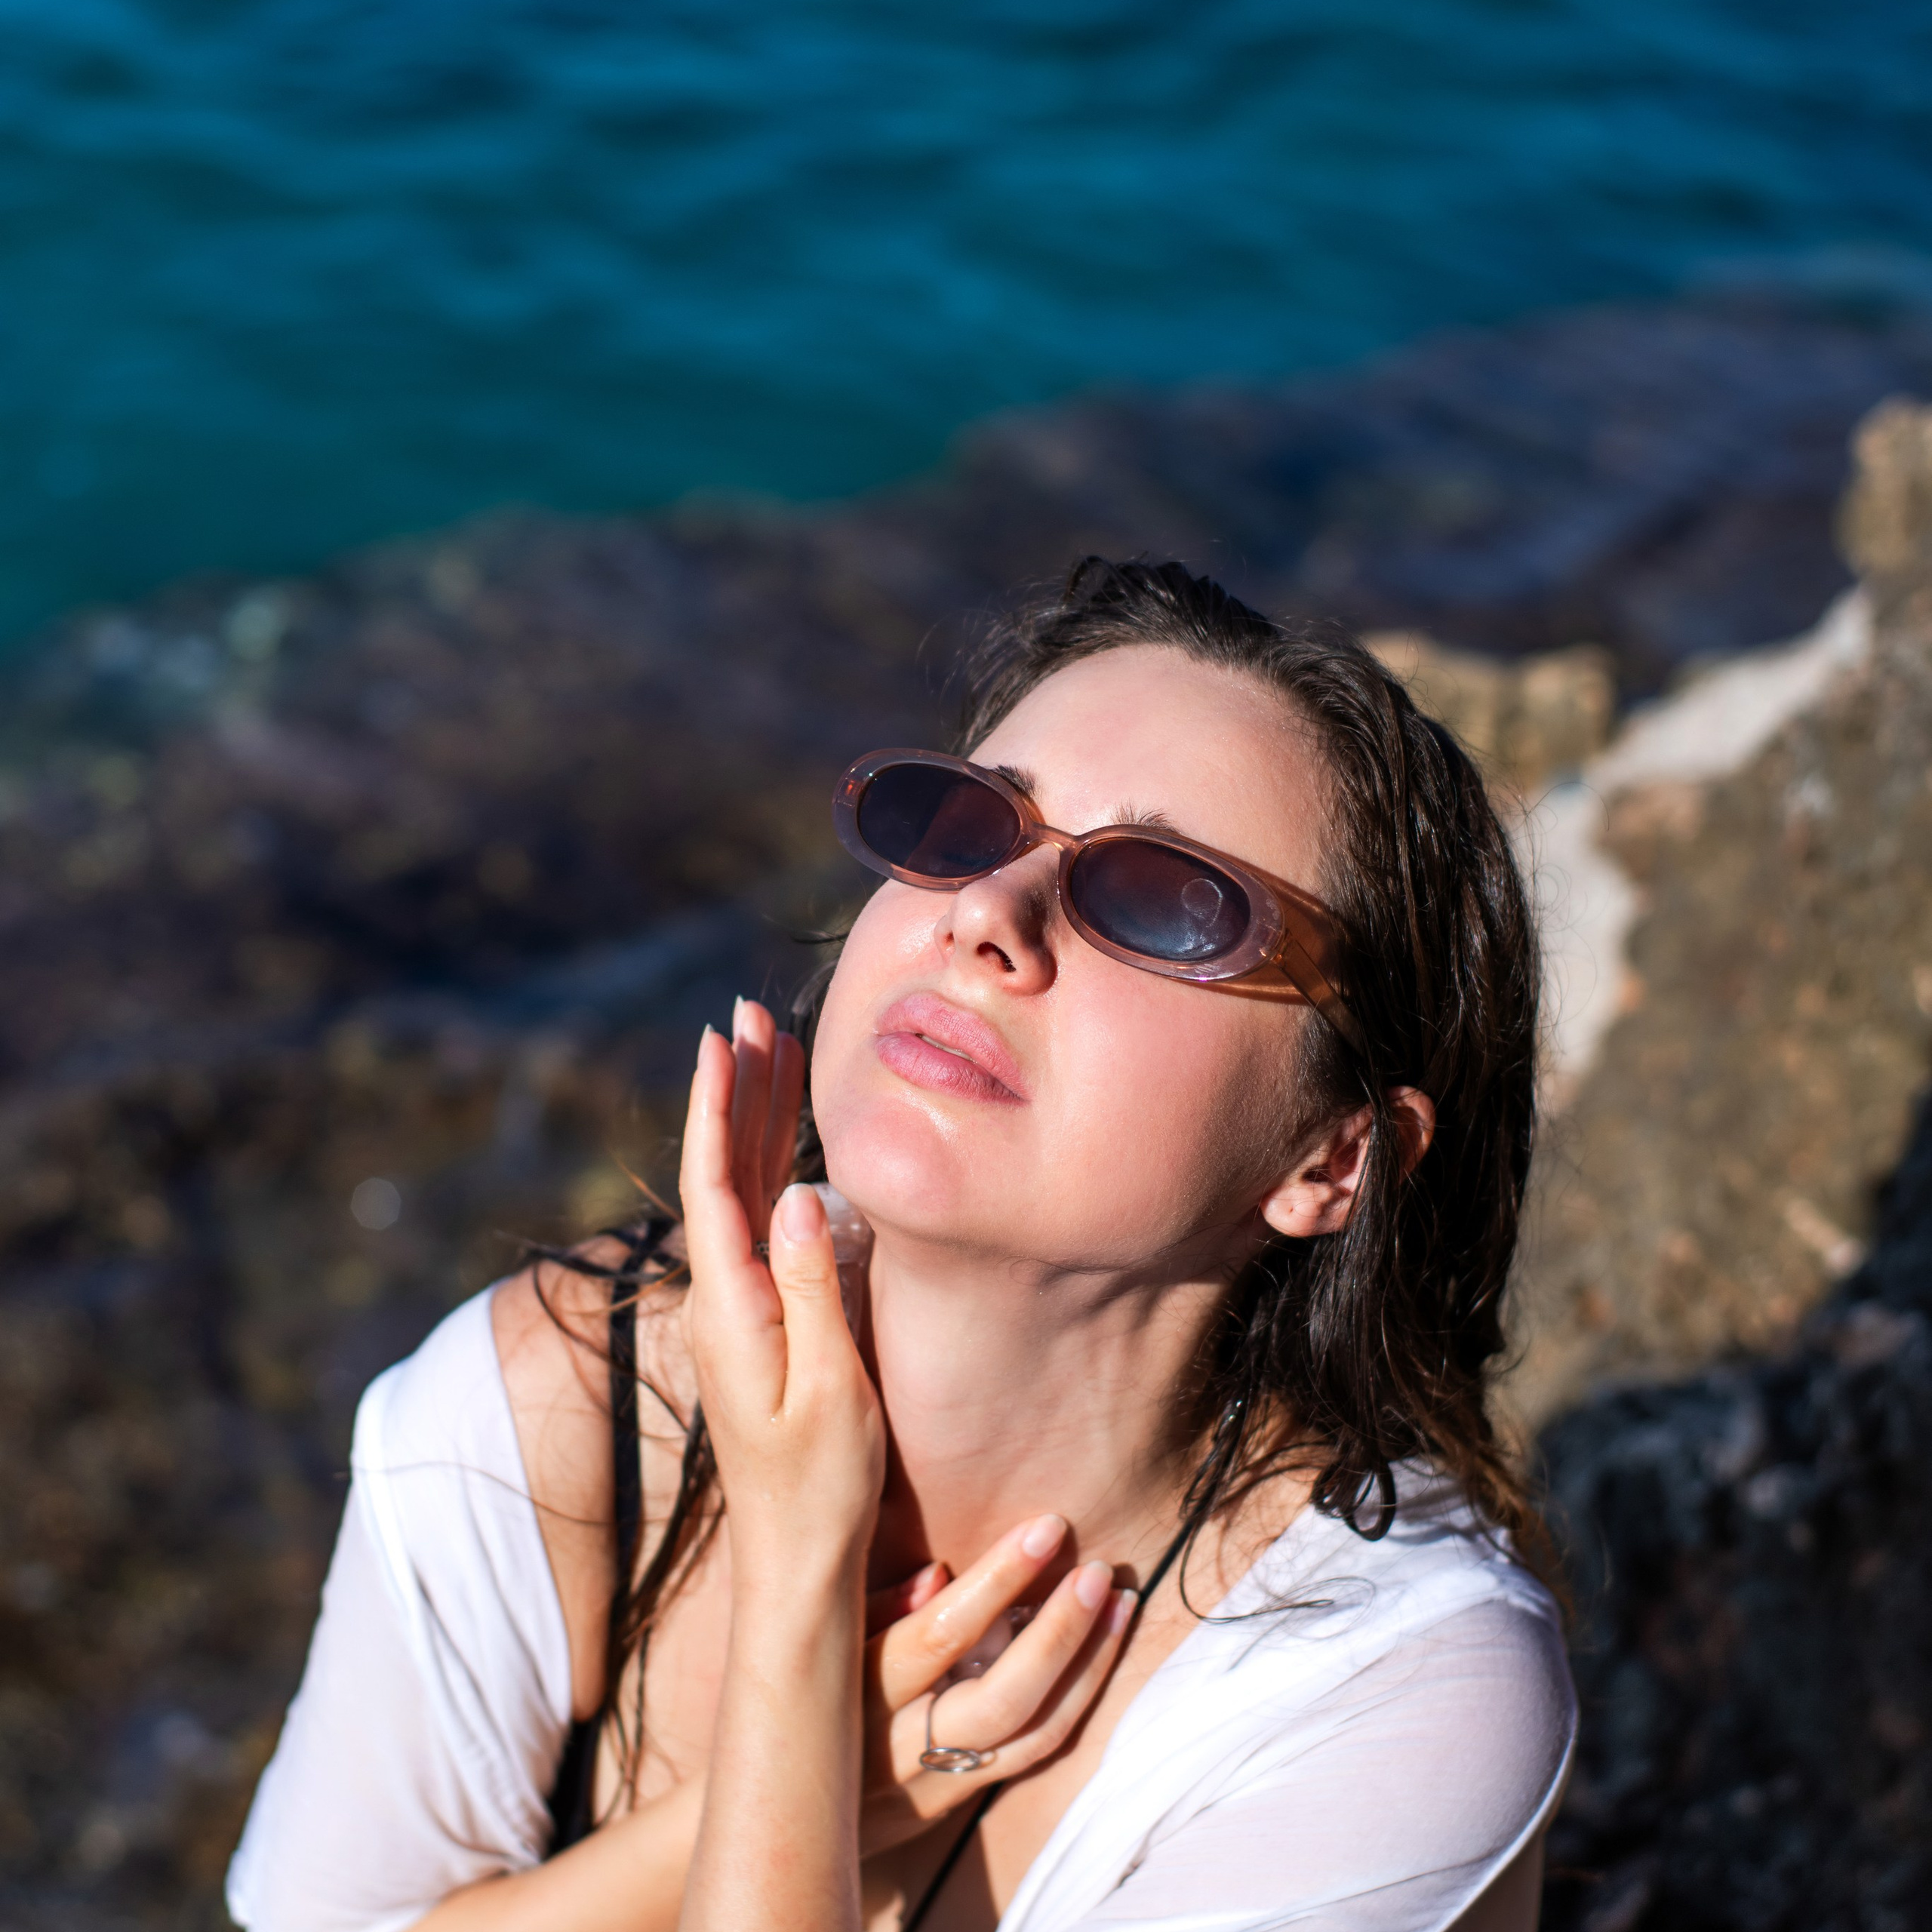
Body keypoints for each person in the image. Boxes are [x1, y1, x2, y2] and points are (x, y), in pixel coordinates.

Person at [228, 558, 1575, 1932]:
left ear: (1334, 1155)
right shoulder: (559, 1408)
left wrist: (801, 1582)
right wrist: (817, 1756)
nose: (987, 916)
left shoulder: (1376, 1690)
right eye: (972, 823)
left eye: (1165, 900)